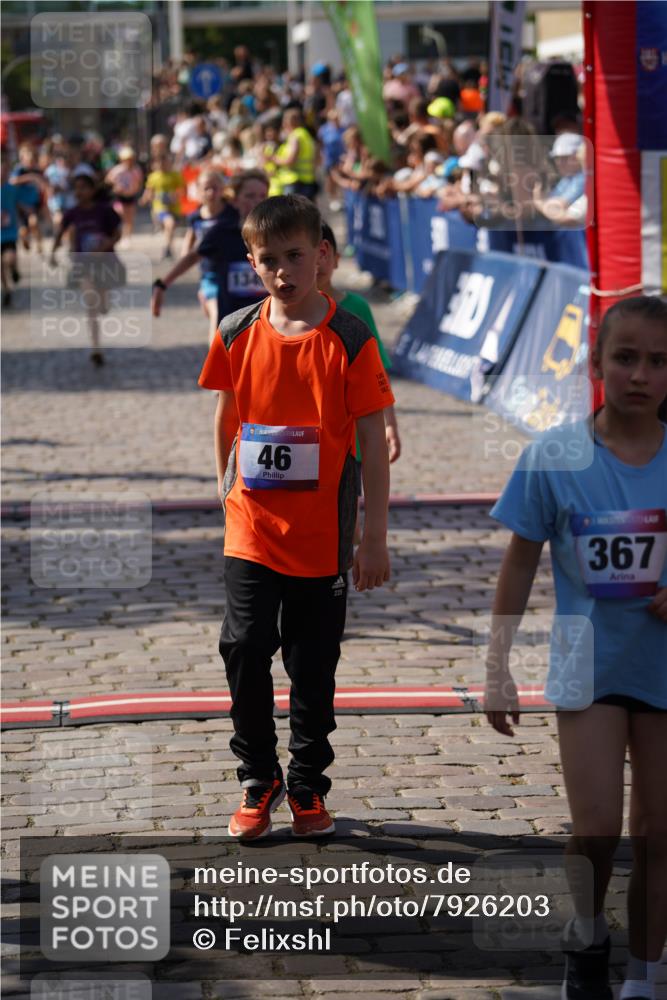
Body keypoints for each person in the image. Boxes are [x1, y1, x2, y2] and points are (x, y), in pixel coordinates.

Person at [485, 295, 667, 1000]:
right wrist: (497, 668)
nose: (640, 375)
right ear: (594, 364)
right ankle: (586, 930)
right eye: (624, 358)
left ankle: (647, 972)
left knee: (658, 833)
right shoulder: (552, 455)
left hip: (661, 667)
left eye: (657, 361)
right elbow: (518, 562)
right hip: (586, 666)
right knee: (595, 830)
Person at [198, 195, 394, 840]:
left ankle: (308, 782)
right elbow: (227, 416)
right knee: (245, 646)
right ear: (252, 265)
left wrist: (373, 537)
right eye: (269, 260)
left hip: (322, 534)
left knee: (313, 663)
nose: (283, 271)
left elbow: (370, 441)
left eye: (296, 256)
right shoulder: (233, 332)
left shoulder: (351, 337)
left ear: (323, 256)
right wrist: (224, 488)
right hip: (250, 522)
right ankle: (259, 778)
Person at [151, 170, 269, 343]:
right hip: (233, 319)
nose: (257, 202)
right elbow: (193, 257)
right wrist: (162, 285)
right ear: (235, 200)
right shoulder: (222, 231)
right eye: (249, 196)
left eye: (262, 196)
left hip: (267, 318)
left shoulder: (276, 233)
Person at [50, 165, 124, 366]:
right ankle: (96, 348)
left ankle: (104, 302)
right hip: (84, 265)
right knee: (91, 304)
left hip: (106, 263)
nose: (79, 191)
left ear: (92, 190)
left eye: (83, 187)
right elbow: (59, 233)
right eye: (76, 188)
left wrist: (106, 245)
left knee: (102, 305)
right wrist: (52, 253)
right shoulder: (72, 213)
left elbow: (118, 232)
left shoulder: (104, 210)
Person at [140, 150, 184, 259]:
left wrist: (175, 196)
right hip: (160, 207)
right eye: (160, 163)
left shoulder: (175, 175)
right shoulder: (153, 177)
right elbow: (149, 191)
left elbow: (182, 190)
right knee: (170, 223)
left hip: (174, 207)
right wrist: (145, 199)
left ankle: (168, 245)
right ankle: (169, 248)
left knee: (170, 228)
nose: (163, 165)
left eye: (165, 162)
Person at [105, 147, 144, 246]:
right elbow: (108, 180)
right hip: (119, 197)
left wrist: (134, 189)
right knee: (121, 214)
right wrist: (116, 186)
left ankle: (127, 237)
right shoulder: (117, 170)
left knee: (129, 218)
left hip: (130, 196)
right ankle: (120, 235)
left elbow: (139, 182)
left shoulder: (136, 170)